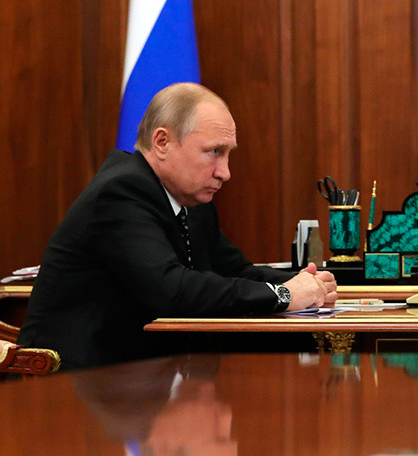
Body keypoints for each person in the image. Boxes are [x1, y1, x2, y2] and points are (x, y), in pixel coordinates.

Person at [19, 83, 337, 368]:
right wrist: (283, 294)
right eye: (214, 152)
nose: (225, 172)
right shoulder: (120, 192)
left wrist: (305, 284)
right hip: (74, 384)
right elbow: (171, 289)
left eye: (228, 155)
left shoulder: (190, 199)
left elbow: (235, 271)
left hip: (143, 378)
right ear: (162, 142)